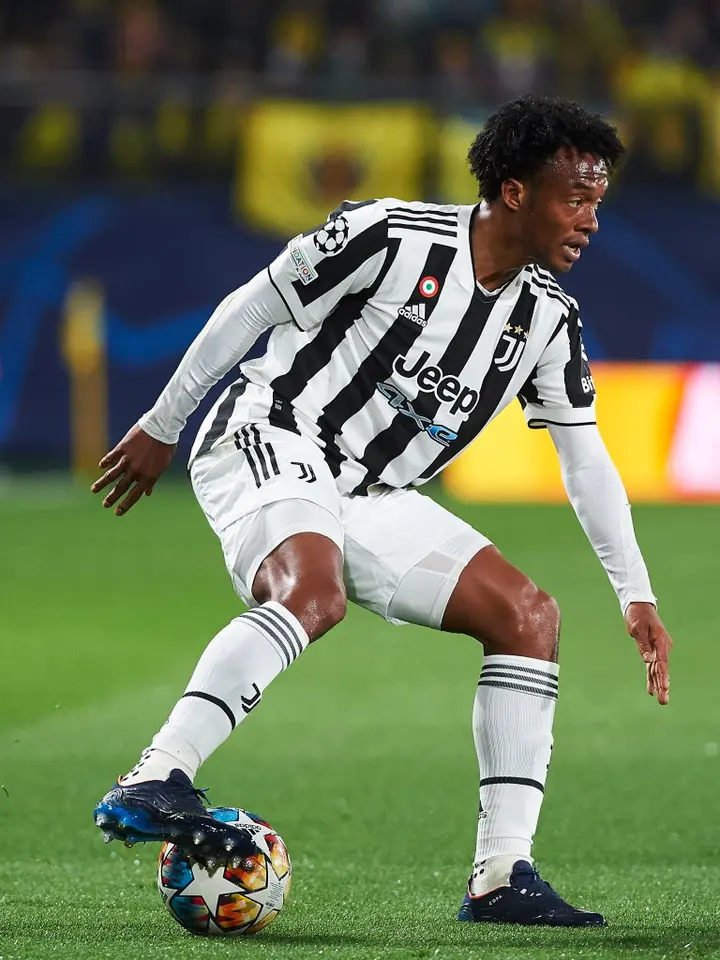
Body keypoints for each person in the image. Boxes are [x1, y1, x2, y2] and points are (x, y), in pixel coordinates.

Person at [91, 95, 672, 927]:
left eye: (597, 204)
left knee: (528, 617)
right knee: (312, 595)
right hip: (271, 433)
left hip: (372, 492)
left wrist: (636, 592)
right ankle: (157, 772)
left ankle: (501, 876)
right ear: (515, 192)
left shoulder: (548, 317)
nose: (589, 221)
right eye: (574, 199)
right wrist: (161, 423)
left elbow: (585, 459)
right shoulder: (389, 234)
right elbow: (255, 305)